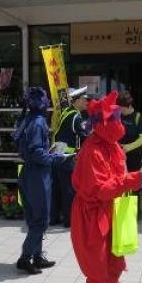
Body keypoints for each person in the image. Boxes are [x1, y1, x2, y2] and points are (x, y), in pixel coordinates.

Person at [71, 91, 142, 283]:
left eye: (119, 120)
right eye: (114, 120)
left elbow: (118, 177)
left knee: (116, 259)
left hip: (113, 209)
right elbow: (100, 189)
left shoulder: (114, 147)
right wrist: (130, 180)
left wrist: (133, 178)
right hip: (94, 215)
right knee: (97, 266)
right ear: (102, 124)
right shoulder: (92, 150)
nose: (119, 124)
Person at [13, 87, 68, 275]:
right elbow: (37, 152)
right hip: (38, 175)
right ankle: (25, 258)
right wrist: (56, 157)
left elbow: (29, 150)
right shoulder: (38, 122)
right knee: (41, 220)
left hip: (27, 173)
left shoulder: (27, 120)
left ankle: (37, 257)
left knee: (33, 218)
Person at [50, 86, 90, 227]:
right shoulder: (76, 117)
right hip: (66, 159)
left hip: (56, 156)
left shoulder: (66, 112)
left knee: (56, 190)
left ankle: (53, 218)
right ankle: (69, 220)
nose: (87, 102)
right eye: (85, 100)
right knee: (68, 190)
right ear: (77, 100)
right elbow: (86, 137)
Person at [117, 91, 142, 172]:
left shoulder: (137, 117)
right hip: (119, 155)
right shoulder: (118, 116)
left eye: (122, 108)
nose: (120, 111)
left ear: (129, 106)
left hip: (134, 157)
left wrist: (128, 147)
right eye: (119, 108)